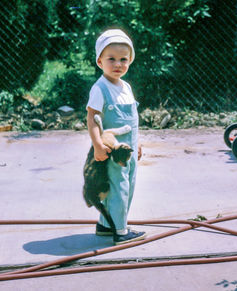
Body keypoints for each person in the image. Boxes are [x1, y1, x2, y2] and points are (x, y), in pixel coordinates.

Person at [86, 29, 145, 245]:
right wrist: (98, 145)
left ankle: (105, 224)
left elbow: (131, 123)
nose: (118, 64)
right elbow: (92, 118)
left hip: (128, 149)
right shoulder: (100, 88)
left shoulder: (126, 87)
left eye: (124, 59)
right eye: (111, 59)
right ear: (100, 61)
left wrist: (137, 144)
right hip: (113, 152)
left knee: (129, 184)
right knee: (119, 188)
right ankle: (120, 231)